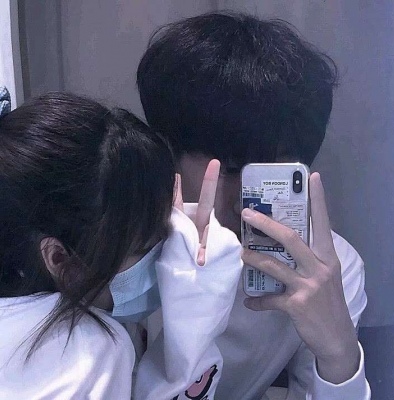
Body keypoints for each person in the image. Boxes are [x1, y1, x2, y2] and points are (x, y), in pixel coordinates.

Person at [133, 12, 371, 399]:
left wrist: (340, 355)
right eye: (230, 169)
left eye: (269, 176)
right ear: (168, 154)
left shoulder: (329, 270)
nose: (247, 203)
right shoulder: (128, 247)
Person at [0, 89, 243, 399]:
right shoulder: (89, 352)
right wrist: (196, 328)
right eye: (145, 247)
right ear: (59, 259)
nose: (165, 255)